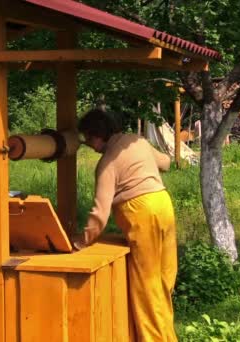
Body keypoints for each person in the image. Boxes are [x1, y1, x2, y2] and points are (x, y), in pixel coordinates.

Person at [75, 109, 177, 341]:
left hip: (142, 213)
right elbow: (166, 162)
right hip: (163, 203)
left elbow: (100, 214)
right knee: (163, 282)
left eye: (89, 139)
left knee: (147, 289)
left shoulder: (107, 163)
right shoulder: (136, 141)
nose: (89, 145)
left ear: (98, 134)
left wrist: (80, 242)